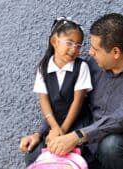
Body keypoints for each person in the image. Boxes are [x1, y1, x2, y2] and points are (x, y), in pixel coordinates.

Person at [20, 13, 123, 169]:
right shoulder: (92, 65)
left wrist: (78, 136)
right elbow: (68, 103)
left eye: (95, 48)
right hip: (92, 144)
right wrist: (41, 133)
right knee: (35, 152)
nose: (89, 52)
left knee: (111, 146)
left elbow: (122, 119)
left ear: (115, 52)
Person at [20, 16, 93, 166]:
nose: (74, 49)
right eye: (70, 43)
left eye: (79, 46)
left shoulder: (81, 67)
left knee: (71, 158)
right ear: (54, 41)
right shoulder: (44, 68)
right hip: (54, 125)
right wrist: (54, 128)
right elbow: (44, 99)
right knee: (37, 155)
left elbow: (77, 101)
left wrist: (63, 131)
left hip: (77, 124)